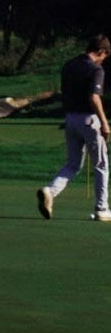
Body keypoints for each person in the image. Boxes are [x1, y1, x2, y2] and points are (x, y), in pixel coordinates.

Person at [37, 35, 111, 222]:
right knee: (101, 164)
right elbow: (94, 98)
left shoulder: (69, 65)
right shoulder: (96, 69)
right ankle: (102, 208)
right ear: (101, 52)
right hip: (89, 120)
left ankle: (50, 191)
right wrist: (104, 122)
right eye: (104, 57)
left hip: (70, 119)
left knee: (73, 164)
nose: (104, 60)